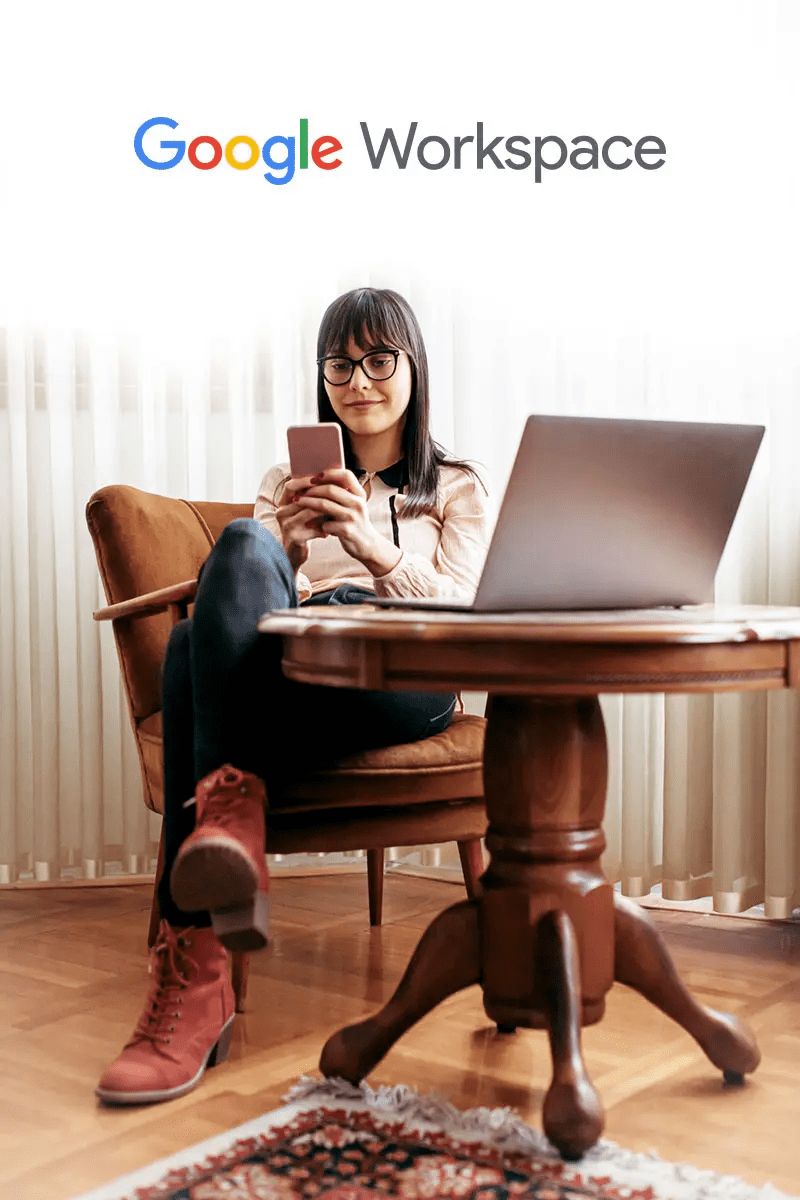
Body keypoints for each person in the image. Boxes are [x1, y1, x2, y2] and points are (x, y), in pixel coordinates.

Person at [95, 287, 491, 1105]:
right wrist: (290, 548)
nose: (358, 380)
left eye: (378, 360)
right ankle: (224, 852)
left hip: (402, 673)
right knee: (244, 544)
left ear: (414, 367)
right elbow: (251, 605)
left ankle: (196, 966)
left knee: (187, 657)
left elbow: (469, 614)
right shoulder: (286, 478)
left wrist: (372, 549)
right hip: (296, 658)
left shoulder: (456, 485)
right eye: (339, 364)